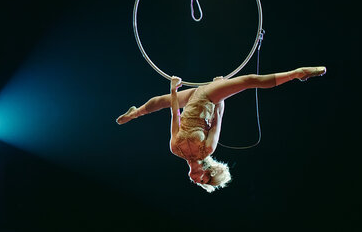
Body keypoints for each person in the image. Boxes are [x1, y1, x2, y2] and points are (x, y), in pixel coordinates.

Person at [116, 66, 326, 192]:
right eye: (202, 181)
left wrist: (173, 89)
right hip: (208, 98)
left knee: (161, 102)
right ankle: (297, 74)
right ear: (208, 171)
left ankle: (136, 112)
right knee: (248, 81)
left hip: (190, 101)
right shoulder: (207, 150)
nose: (196, 180)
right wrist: (222, 89)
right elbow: (217, 119)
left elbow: (174, 115)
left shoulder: (175, 149)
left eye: (199, 183)